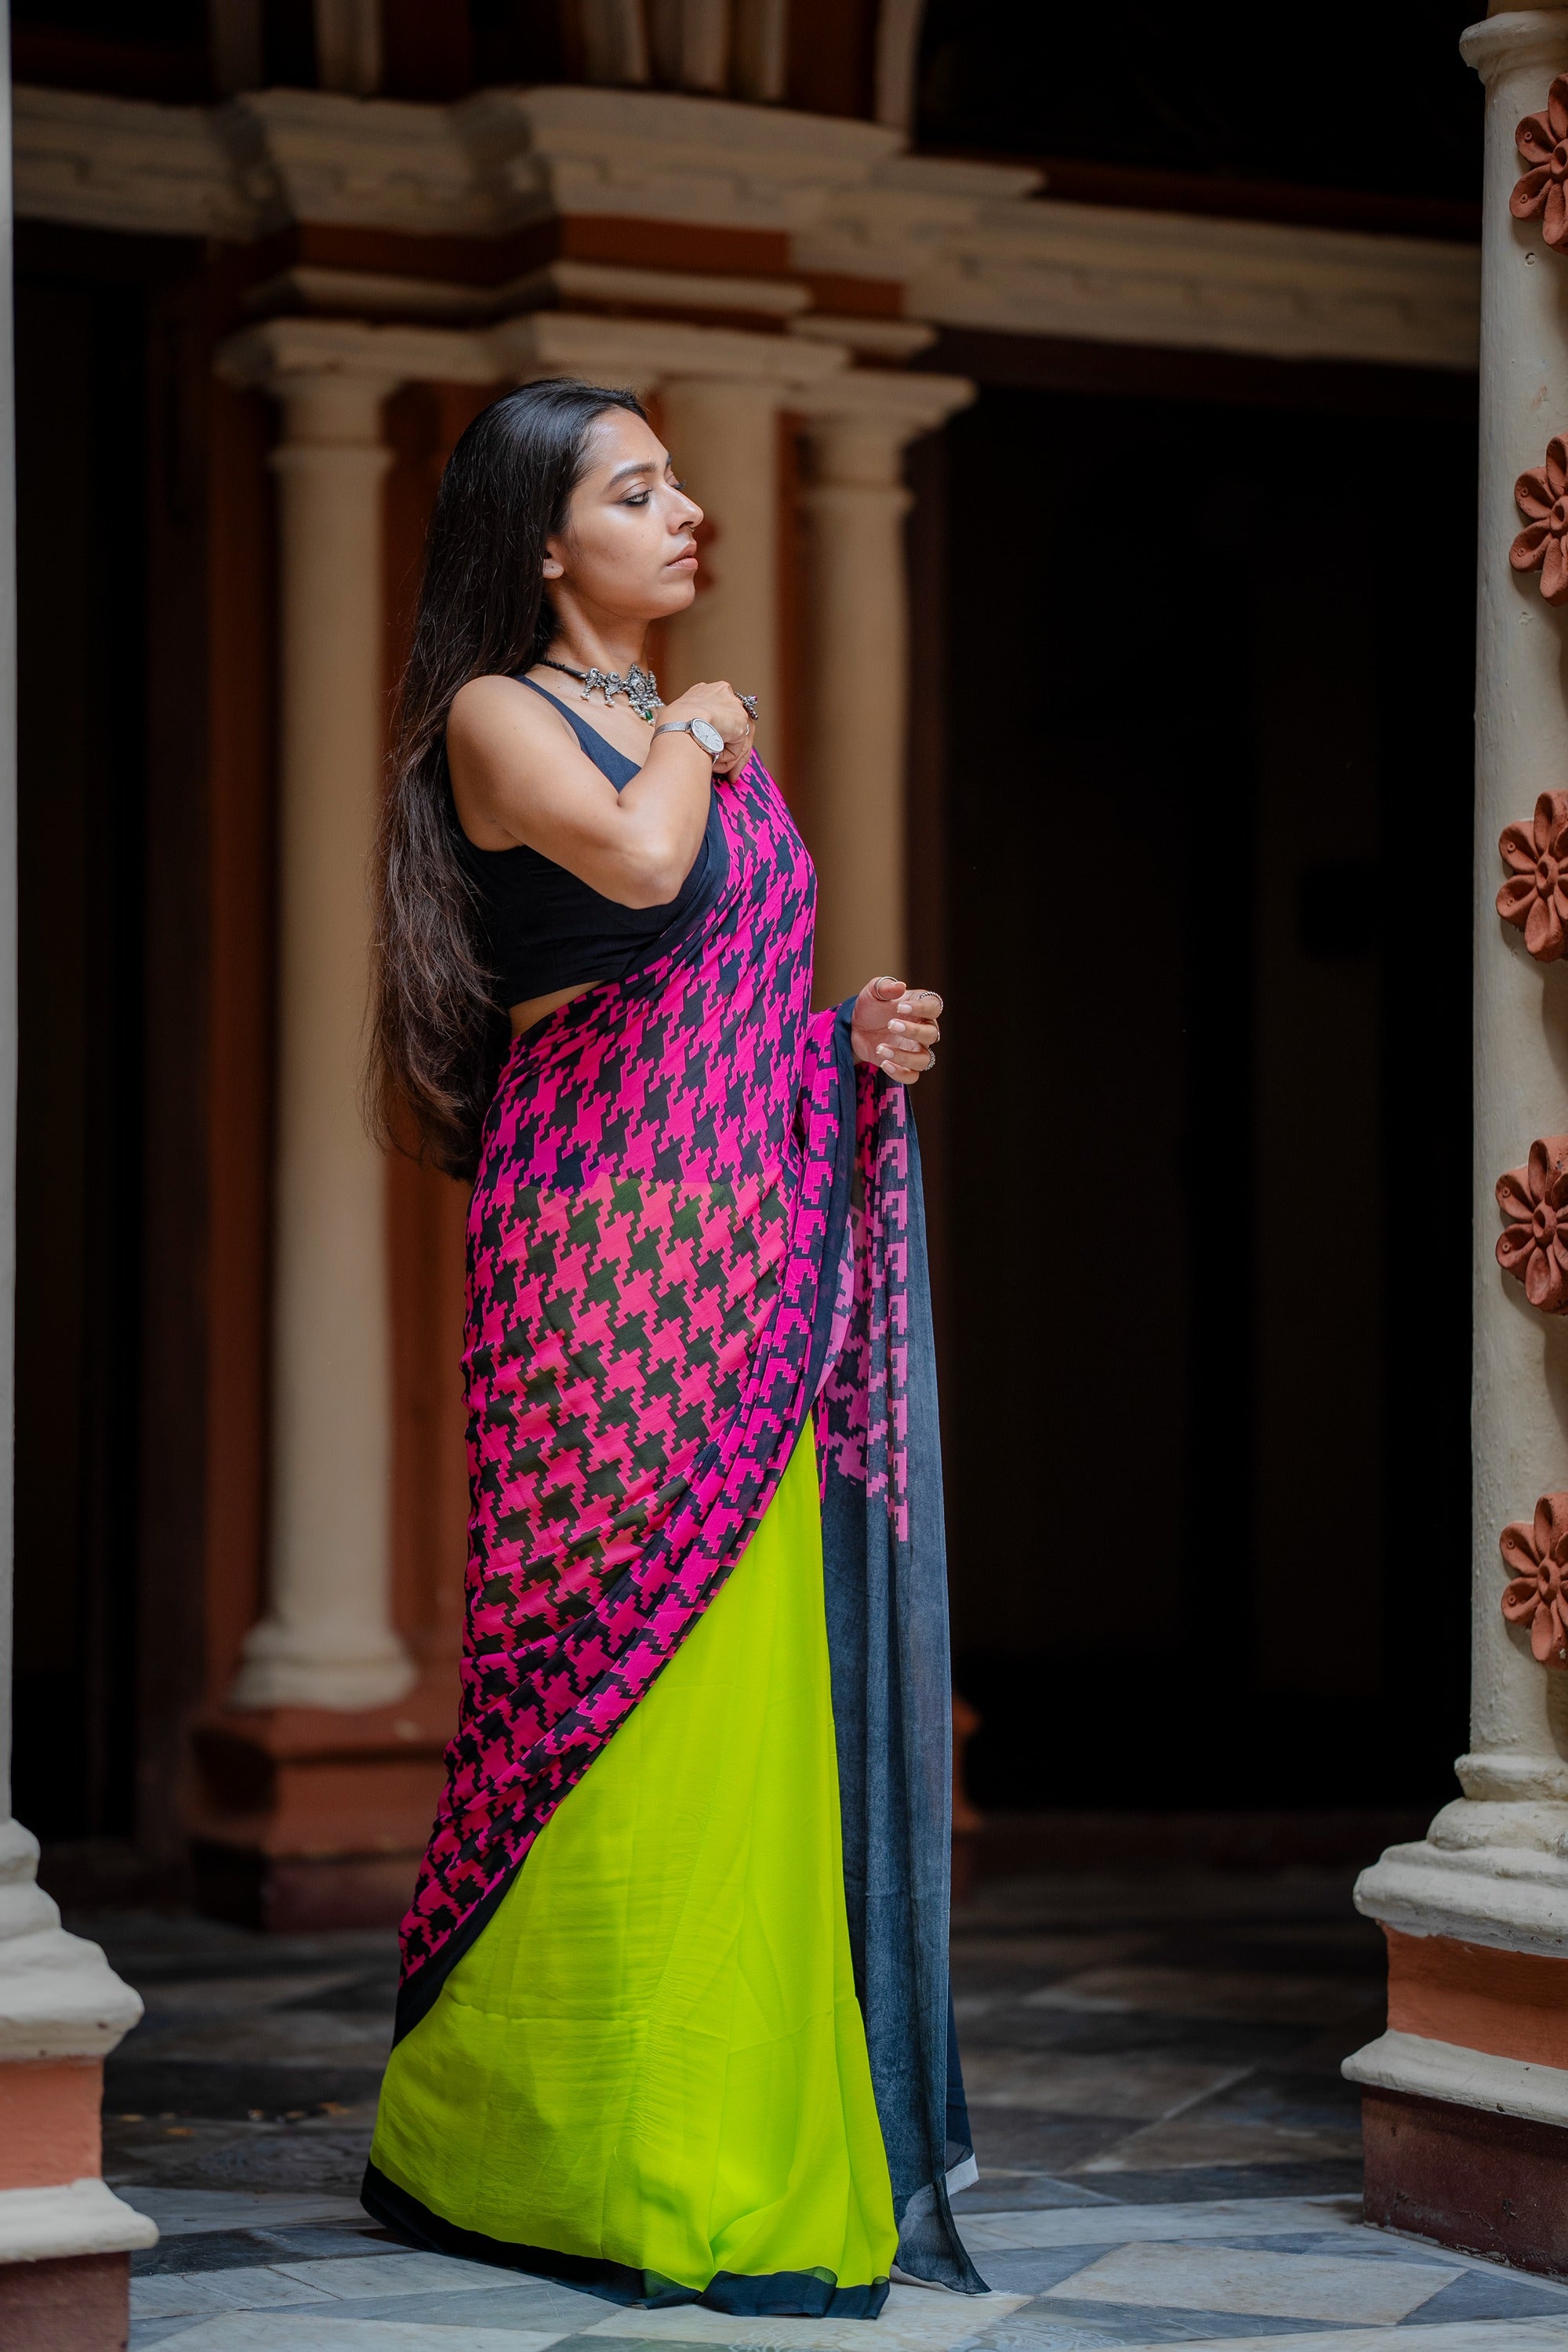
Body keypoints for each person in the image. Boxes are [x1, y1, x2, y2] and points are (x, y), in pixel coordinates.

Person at [361, 377, 981, 2317]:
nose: (685, 510)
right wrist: (697, 730)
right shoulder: (503, 716)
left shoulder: (705, 743)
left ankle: (721, 2136)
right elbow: (635, 873)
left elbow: (719, 994)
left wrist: (847, 1038)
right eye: (637, 490)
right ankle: (526, 2143)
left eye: (678, 481)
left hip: (748, 1248)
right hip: (604, 1261)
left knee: (741, 1686)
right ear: (545, 540)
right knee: (608, 1672)